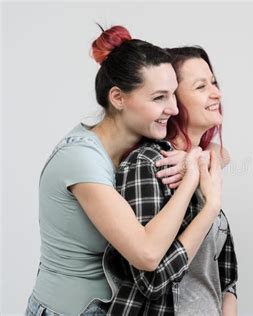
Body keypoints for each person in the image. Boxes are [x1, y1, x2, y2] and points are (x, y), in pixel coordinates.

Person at [24, 25, 204, 315]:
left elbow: (220, 153)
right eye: (159, 97)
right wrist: (192, 176)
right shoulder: (80, 159)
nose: (172, 108)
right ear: (118, 98)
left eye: (173, 94)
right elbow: (146, 255)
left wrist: (193, 157)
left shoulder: (140, 146)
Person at [103, 46, 238, 316]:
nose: (217, 93)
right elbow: (152, 282)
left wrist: (199, 161)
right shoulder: (150, 165)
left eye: (213, 82)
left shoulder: (204, 164)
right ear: (172, 101)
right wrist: (210, 206)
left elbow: (225, 280)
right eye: (201, 87)